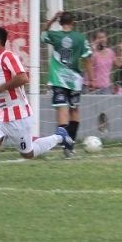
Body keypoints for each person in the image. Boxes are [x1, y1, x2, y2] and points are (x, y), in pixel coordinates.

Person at [0, 26, 74, 200]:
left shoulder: (8, 57)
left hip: (18, 116)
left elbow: (23, 78)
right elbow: (0, 93)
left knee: (27, 153)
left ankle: (60, 137)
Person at [40, 11, 93, 158]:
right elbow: (88, 59)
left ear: (60, 23)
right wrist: (92, 79)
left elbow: (42, 33)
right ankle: (70, 145)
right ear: (74, 23)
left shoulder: (54, 35)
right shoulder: (81, 38)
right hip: (75, 80)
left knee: (62, 112)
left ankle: (66, 146)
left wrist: (52, 20)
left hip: (58, 79)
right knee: (74, 111)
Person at [89, 30, 117, 94]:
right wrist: (93, 50)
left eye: (103, 37)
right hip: (92, 87)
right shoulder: (91, 51)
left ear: (106, 38)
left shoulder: (110, 52)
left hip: (106, 87)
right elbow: (89, 65)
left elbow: (118, 64)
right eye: (99, 37)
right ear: (94, 40)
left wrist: (121, 50)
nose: (102, 39)